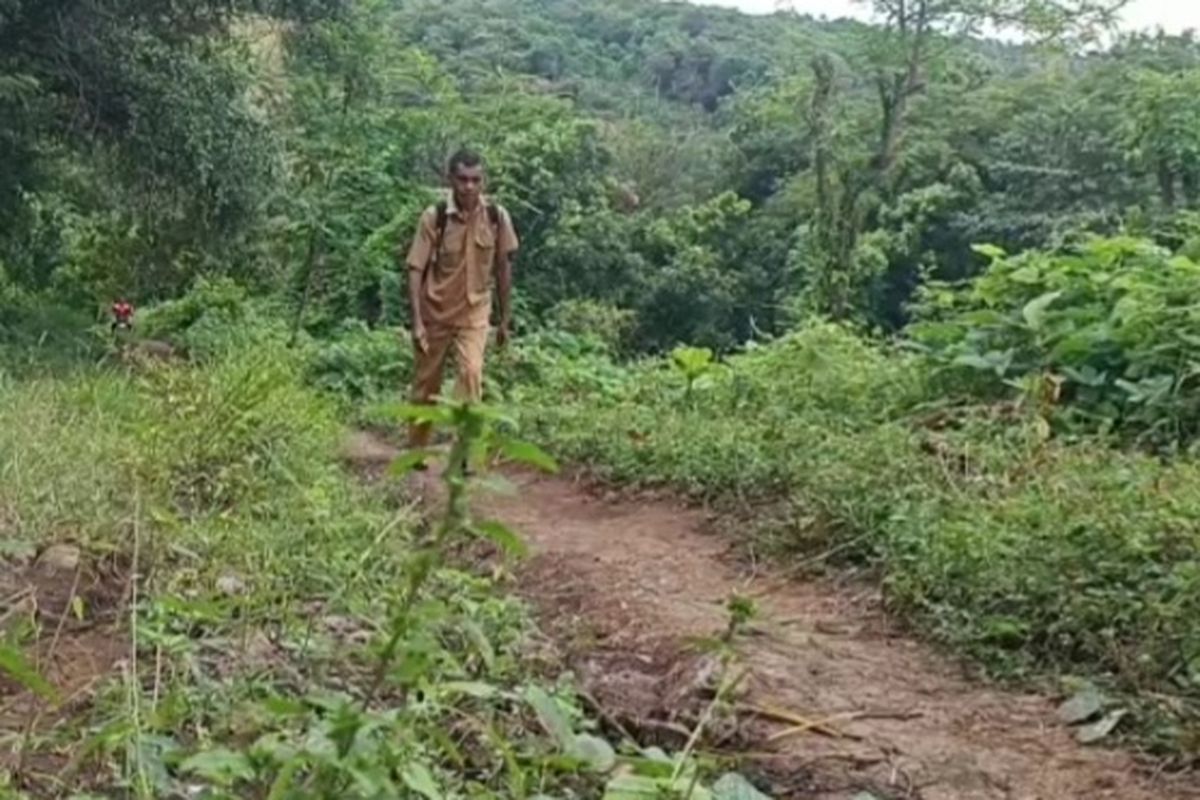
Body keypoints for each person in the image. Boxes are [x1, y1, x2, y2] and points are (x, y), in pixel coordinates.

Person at [401, 149, 519, 455]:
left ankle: (463, 452)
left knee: (471, 373)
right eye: (463, 179)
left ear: (483, 181)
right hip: (435, 313)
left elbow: (504, 267)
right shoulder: (434, 217)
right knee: (427, 385)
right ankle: (417, 450)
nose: (469, 186)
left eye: (476, 180)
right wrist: (416, 323)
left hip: (475, 313)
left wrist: (505, 320)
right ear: (451, 179)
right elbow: (415, 268)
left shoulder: (497, 217)